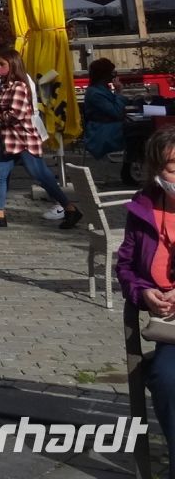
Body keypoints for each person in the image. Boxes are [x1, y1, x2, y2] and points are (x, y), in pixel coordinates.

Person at [115, 125, 175, 473]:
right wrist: (143, 292)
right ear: (156, 171)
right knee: (167, 379)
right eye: (173, 167)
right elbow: (125, 266)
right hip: (171, 327)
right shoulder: (143, 209)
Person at [0, 48, 80, 229]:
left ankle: (70, 208)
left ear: (12, 65)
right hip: (7, 139)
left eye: (1, 64)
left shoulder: (20, 86)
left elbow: (15, 114)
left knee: (40, 175)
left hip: (23, 138)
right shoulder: (3, 84)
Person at [81, 58, 127, 160]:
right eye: (112, 73)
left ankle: (130, 163)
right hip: (104, 132)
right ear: (105, 75)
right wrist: (119, 92)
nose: (114, 76)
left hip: (109, 128)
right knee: (138, 132)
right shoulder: (95, 93)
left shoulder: (101, 90)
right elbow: (117, 112)